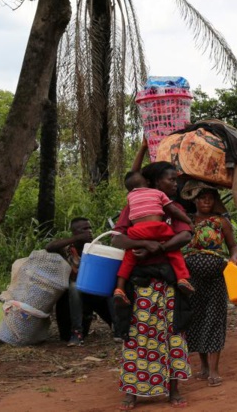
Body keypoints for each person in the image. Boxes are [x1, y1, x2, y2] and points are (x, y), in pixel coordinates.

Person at [112, 162, 193, 410]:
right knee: (138, 335)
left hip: (168, 284)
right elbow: (117, 239)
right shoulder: (133, 204)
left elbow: (186, 234)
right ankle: (132, 392)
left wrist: (159, 248)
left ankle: (174, 390)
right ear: (156, 182)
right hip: (142, 285)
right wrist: (146, 244)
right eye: (171, 180)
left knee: (172, 334)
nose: (175, 184)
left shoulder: (174, 208)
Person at [182, 186, 237, 388]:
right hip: (191, 280)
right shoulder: (186, 220)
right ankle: (204, 367)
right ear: (194, 200)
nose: (206, 201)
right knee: (196, 320)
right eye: (202, 198)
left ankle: (214, 370)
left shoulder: (221, 221)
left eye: (210, 198)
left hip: (216, 278)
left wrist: (234, 259)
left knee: (214, 319)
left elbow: (233, 246)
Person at [113, 171, 194, 305]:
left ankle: (119, 288)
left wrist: (143, 244)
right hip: (157, 229)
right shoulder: (158, 194)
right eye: (171, 180)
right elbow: (180, 223)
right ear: (152, 182)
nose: (176, 184)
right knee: (174, 251)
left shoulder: (130, 197)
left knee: (129, 256)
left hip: (137, 231)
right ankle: (182, 278)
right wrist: (189, 221)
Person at [46, 217, 112, 346]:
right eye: (84, 229)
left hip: (94, 290)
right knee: (74, 287)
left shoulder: (97, 246)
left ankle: (118, 329)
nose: (89, 231)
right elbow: (49, 247)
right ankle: (77, 332)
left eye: (90, 228)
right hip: (74, 294)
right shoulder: (67, 248)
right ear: (75, 232)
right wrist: (76, 239)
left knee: (110, 288)